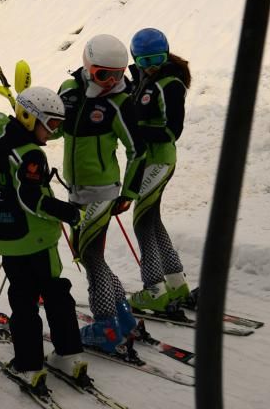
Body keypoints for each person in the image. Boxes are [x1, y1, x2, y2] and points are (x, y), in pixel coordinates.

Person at [0, 86, 87, 391]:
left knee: (23, 298)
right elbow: (32, 198)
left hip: (8, 237)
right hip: (37, 239)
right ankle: (66, 354)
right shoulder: (30, 154)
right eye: (50, 124)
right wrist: (68, 213)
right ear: (29, 118)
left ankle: (30, 364)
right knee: (55, 293)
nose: (53, 133)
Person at [58, 34, 145, 353]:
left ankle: (107, 324)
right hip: (75, 190)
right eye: (103, 74)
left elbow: (138, 149)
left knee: (90, 256)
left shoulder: (119, 101)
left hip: (103, 191)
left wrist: (130, 191)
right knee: (90, 255)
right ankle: (122, 316)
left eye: (119, 74)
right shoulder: (69, 91)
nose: (111, 81)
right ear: (87, 66)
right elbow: (51, 129)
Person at [126, 28, 195, 312]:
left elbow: (172, 130)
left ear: (166, 55)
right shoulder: (146, 80)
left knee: (142, 221)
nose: (151, 66)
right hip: (147, 160)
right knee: (151, 220)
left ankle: (154, 288)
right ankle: (177, 283)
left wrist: (137, 130)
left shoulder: (170, 84)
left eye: (156, 59)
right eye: (144, 62)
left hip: (160, 159)